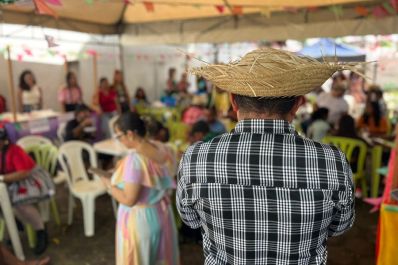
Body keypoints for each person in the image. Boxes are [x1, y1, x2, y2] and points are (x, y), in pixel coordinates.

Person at [177, 48, 354, 264]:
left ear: (233, 101)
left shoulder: (196, 159)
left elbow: (191, 220)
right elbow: (339, 226)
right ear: (298, 103)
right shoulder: (332, 162)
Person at [98, 112, 179, 265]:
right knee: (160, 259)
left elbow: (129, 199)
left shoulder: (135, 161)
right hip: (162, 215)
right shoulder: (164, 149)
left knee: (140, 259)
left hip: (141, 222)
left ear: (130, 134)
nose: (119, 140)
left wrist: (108, 184)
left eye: (118, 136)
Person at [0, 127, 50, 255]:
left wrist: (3, 178)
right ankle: (15, 224)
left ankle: (41, 231)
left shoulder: (14, 151)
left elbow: (24, 173)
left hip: (29, 179)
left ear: (4, 140)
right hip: (10, 180)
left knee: (21, 203)